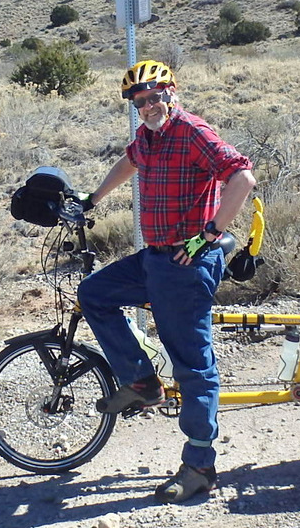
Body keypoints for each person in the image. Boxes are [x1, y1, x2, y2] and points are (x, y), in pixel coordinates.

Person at [77, 59, 256, 504]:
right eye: (141, 100)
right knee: (94, 294)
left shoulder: (192, 131)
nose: (149, 104)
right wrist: (92, 198)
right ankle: (141, 382)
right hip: (156, 257)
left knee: (193, 366)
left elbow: (242, 177)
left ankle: (199, 465)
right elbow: (129, 162)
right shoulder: (148, 137)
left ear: (172, 93)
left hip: (187, 261)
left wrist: (209, 234)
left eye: (156, 95)